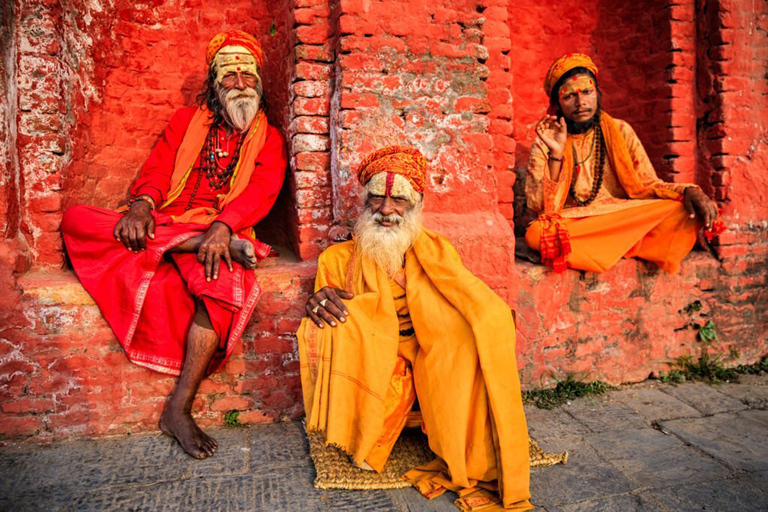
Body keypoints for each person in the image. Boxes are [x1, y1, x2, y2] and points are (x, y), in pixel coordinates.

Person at [61, 30, 286, 459]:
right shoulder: (186, 122)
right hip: (171, 224)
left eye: (248, 75)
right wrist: (142, 206)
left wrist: (224, 226)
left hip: (222, 230)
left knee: (219, 289)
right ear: (215, 83)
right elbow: (158, 169)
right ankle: (191, 243)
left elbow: (262, 190)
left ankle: (178, 409)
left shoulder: (269, 138)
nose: (241, 83)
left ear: (258, 81)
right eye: (230, 75)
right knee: (78, 218)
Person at [297, 146, 532, 511]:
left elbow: (467, 302)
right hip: (377, 353)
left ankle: (464, 448)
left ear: (417, 204)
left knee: (474, 338)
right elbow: (332, 316)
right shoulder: (338, 258)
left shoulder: (439, 251)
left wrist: (489, 322)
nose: (386, 210)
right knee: (332, 330)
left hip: (428, 346)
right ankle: (362, 431)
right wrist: (319, 304)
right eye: (377, 199)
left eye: (399, 201)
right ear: (364, 203)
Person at [524, 53, 723, 273]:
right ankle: (627, 245)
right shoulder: (546, 142)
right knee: (537, 233)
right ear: (557, 105)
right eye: (569, 96)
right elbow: (540, 208)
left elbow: (648, 184)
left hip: (622, 216)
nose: (581, 103)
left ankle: (606, 248)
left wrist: (687, 190)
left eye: (587, 92)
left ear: (597, 94)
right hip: (579, 222)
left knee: (682, 209)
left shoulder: (620, 130)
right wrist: (556, 154)